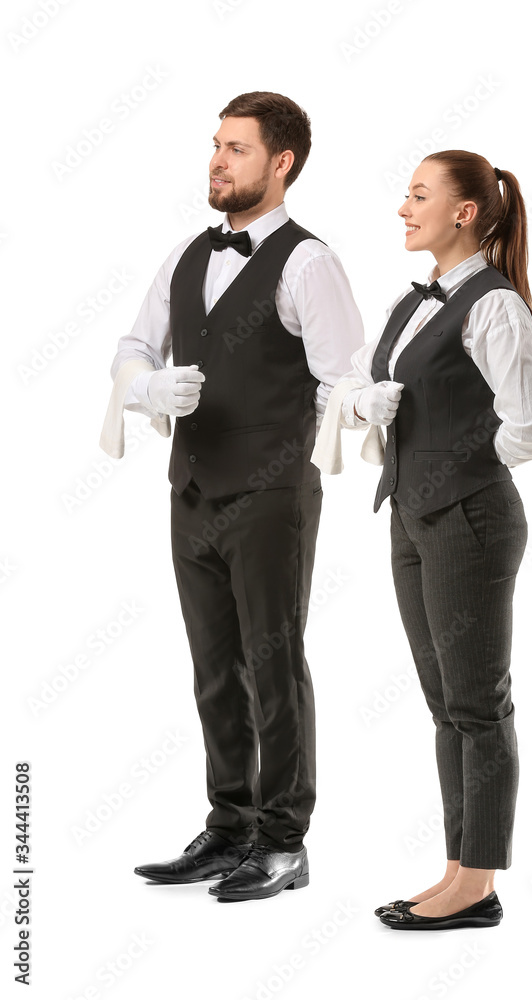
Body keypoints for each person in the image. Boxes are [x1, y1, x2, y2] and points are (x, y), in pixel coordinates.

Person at [99, 91, 364, 902]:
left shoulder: (310, 262)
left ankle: (284, 843)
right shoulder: (186, 253)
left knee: (273, 664)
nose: (217, 160)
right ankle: (230, 825)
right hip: (191, 491)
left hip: (272, 495)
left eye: (237, 148)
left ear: (280, 163)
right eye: (215, 144)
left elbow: (345, 380)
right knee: (215, 668)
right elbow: (133, 348)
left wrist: (281, 447)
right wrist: (147, 389)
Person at [311, 151, 532, 930]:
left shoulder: (495, 305)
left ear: (466, 213)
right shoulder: (412, 302)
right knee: (446, 705)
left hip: (470, 520)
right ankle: (457, 866)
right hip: (412, 517)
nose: (402, 208)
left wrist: (469, 465)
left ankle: (477, 884)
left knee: (479, 706)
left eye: (419, 195)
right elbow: (345, 385)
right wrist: (362, 403)